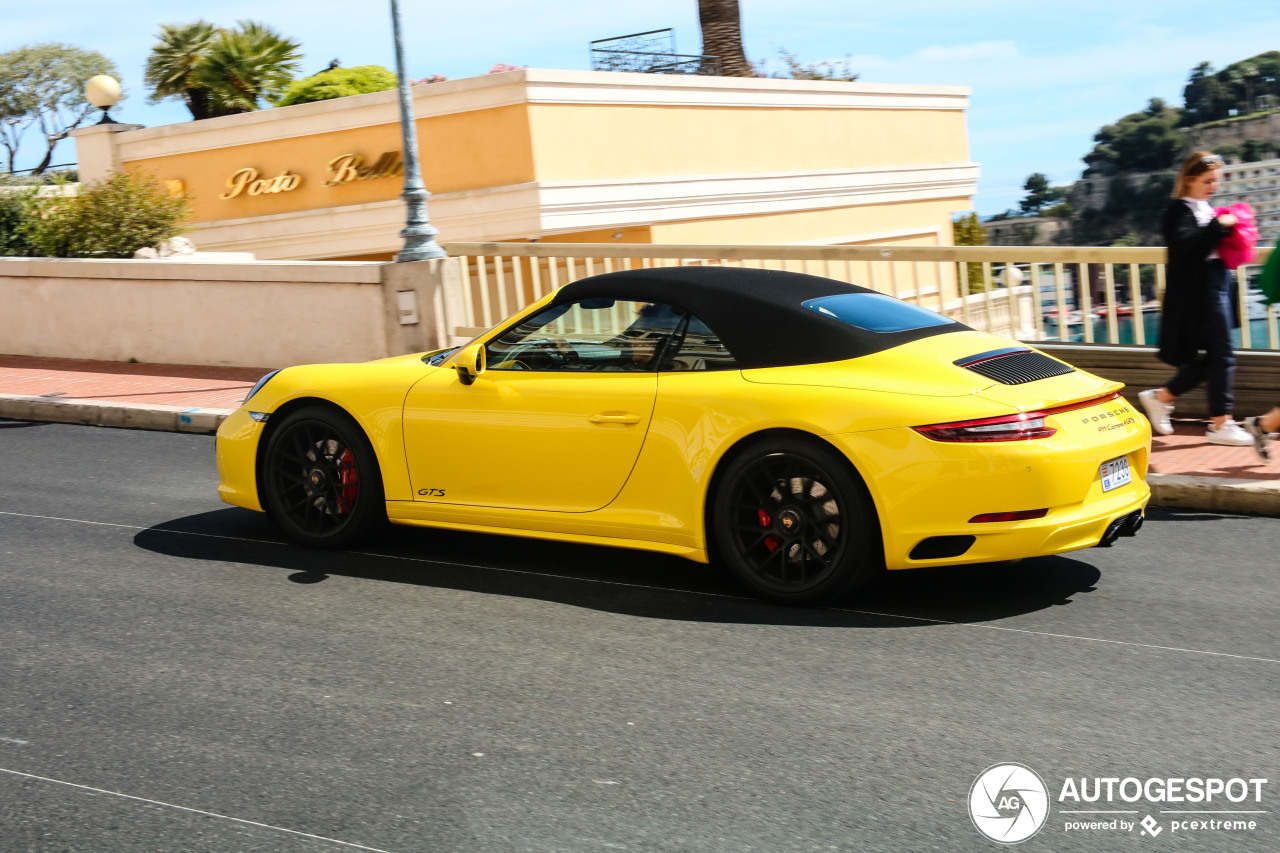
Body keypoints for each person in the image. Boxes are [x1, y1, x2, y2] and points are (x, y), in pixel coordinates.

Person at [1138, 151, 1253, 445]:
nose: (1213, 186)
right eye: (1207, 180)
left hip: (1217, 284)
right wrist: (1220, 226)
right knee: (1223, 356)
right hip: (1201, 292)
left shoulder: (1204, 207)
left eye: (1216, 181)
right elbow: (1188, 251)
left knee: (1217, 357)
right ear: (1189, 180)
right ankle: (1220, 424)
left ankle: (1162, 397)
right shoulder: (1177, 211)